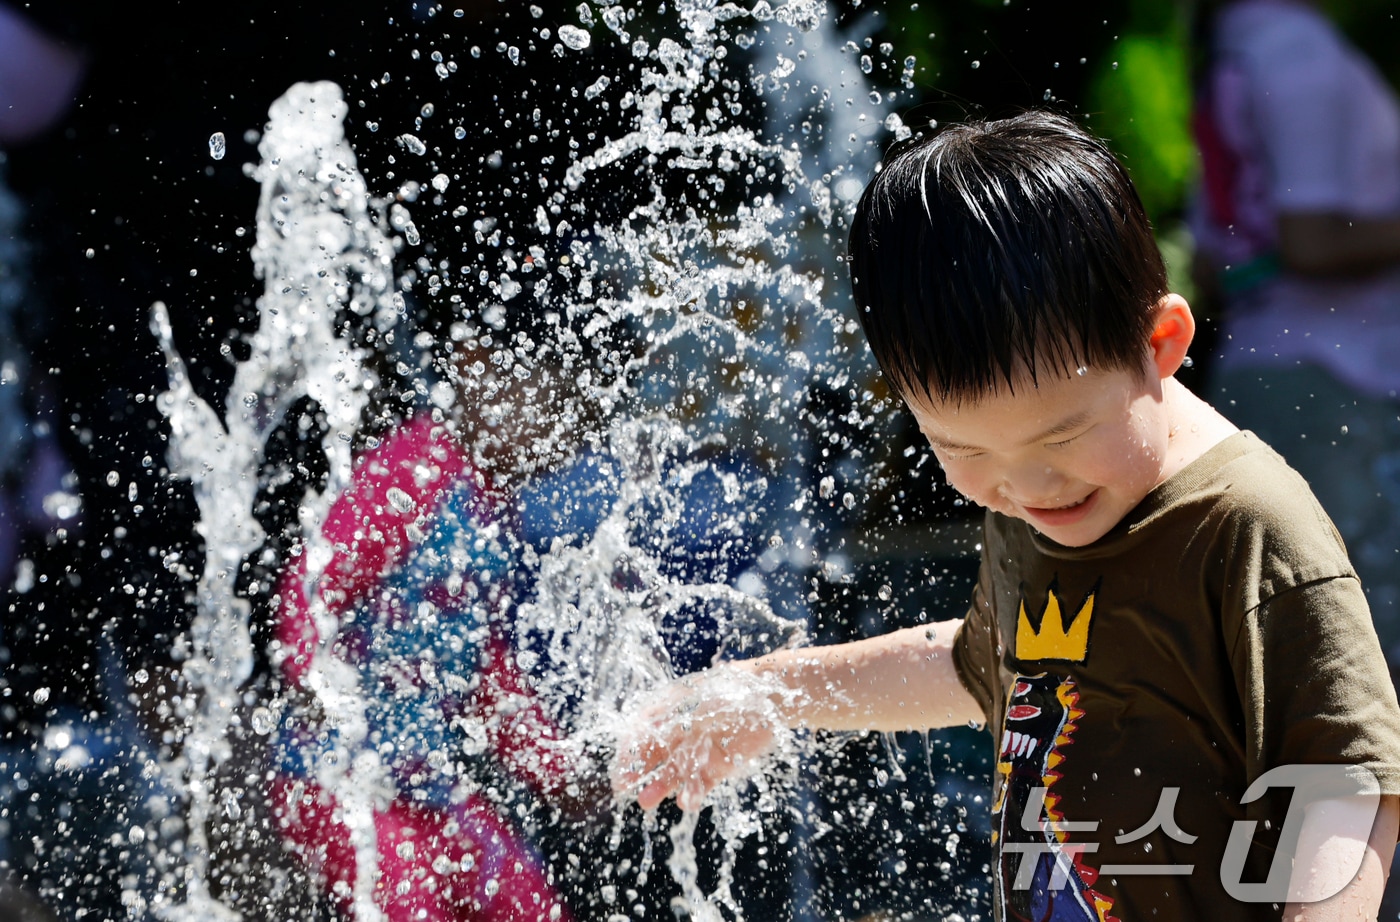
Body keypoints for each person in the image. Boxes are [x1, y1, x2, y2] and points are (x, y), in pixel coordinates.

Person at [611, 111, 1400, 920]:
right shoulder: (1043, 502)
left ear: (1161, 342)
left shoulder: (1248, 528)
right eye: (962, 448)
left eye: (1062, 435)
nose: (1027, 486)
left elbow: (1347, 782)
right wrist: (766, 691)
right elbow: (980, 666)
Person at [1191, 0, 1400, 672]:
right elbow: (1310, 240)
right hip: (1333, 378)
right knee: (1356, 646)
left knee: (1285, 642)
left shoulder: (1233, 54)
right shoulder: (1298, 51)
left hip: (1258, 374)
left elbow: (1210, 263)